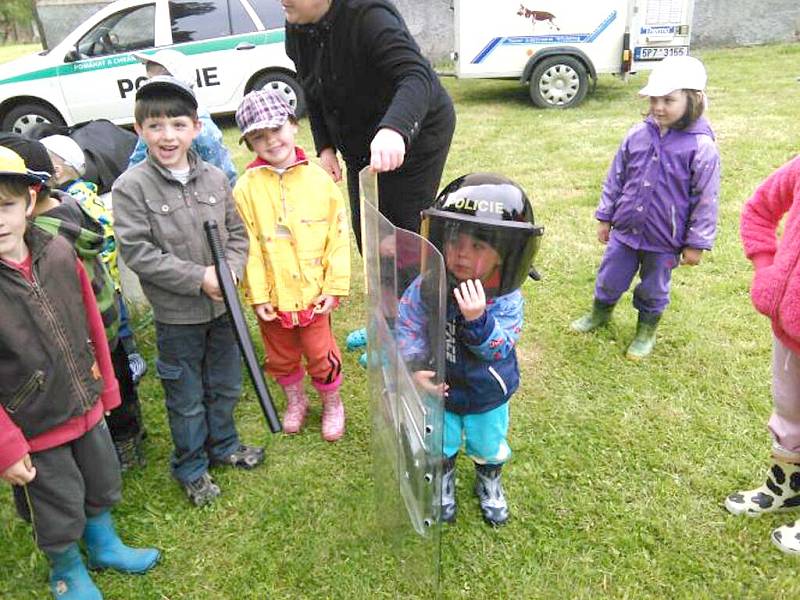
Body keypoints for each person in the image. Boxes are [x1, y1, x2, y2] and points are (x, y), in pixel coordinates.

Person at [0, 145, 159, 600]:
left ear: (30, 201)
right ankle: (66, 569)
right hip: (33, 423)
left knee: (99, 478)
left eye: (6, 205)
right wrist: (6, 445)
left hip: (86, 403)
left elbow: (93, 323)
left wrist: (107, 385)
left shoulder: (58, 252)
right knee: (55, 499)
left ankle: (104, 544)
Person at [113, 76, 263, 507]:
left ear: (197, 128)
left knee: (225, 382)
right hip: (178, 317)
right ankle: (192, 466)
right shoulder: (131, 187)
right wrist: (200, 277)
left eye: (178, 125)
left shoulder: (216, 178)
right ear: (138, 130)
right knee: (186, 395)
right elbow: (140, 253)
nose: (167, 135)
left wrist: (230, 273)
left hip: (223, 311)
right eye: (155, 126)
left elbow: (237, 234)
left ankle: (225, 445)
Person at [284, 0, 457, 354]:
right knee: (369, 235)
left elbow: (415, 75)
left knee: (401, 239)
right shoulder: (297, 22)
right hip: (363, 141)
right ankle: (386, 321)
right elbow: (312, 87)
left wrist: (395, 129)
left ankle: (409, 336)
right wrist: (326, 146)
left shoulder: (369, 17)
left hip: (414, 135)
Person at [396, 173, 544, 526]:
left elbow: (500, 347)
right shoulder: (428, 286)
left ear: (501, 257)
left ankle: (489, 481)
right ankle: (443, 479)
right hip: (441, 386)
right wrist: (417, 365)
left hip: (487, 391)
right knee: (441, 442)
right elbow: (408, 324)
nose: (462, 254)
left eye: (478, 247)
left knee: (487, 443)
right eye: (455, 242)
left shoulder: (505, 299)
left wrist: (477, 319)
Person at [0, 132, 149, 471]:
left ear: (28, 195)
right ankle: (131, 436)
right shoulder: (70, 206)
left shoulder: (45, 236)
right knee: (120, 378)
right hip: (109, 317)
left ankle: (123, 444)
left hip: (83, 329)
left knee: (112, 385)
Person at [569, 55, 720, 359]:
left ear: (694, 99)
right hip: (625, 231)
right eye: (654, 98)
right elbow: (617, 176)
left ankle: (645, 331)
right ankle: (600, 313)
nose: (659, 106)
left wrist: (697, 243)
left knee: (654, 287)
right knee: (610, 275)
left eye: (669, 99)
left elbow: (706, 199)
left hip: (665, 239)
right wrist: (606, 216)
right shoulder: (637, 134)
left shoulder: (702, 148)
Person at [233, 89, 350, 441]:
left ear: (294, 125)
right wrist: (257, 295)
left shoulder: (320, 181)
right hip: (273, 297)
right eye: (258, 136)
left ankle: (332, 403)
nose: (271, 141)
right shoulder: (245, 189)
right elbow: (246, 246)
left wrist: (334, 286)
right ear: (249, 142)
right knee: (280, 356)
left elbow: (338, 235)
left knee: (321, 354)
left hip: (314, 294)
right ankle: (295, 401)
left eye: (276, 129)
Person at [40, 134, 150, 457]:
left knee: (114, 372)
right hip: (100, 307)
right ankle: (125, 435)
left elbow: (102, 237)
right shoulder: (75, 200)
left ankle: (127, 437)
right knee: (112, 372)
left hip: (98, 308)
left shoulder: (63, 213)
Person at [724, 155, 800, 555]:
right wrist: (765, 268)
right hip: (789, 328)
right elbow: (759, 208)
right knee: (788, 409)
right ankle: (786, 486)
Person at [128, 49, 238, 187]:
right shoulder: (151, 125)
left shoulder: (204, 129)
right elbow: (137, 161)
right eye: (149, 80)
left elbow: (224, 172)